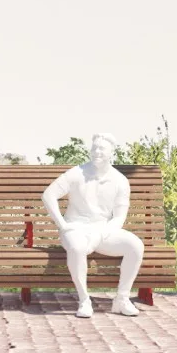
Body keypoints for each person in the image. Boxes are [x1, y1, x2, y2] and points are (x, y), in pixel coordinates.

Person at [41, 133, 145, 318]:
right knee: (78, 247)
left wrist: (99, 235)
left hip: (104, 231)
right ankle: (84, 300)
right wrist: (63, 225)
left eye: (102, 148)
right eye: (94, 148)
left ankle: (121, 299)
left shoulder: (120, 180)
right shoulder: (76, 173)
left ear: (112, 153)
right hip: (75, 228)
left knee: (135, 245)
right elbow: (48, 195)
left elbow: (119, 218)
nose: (97, 152)